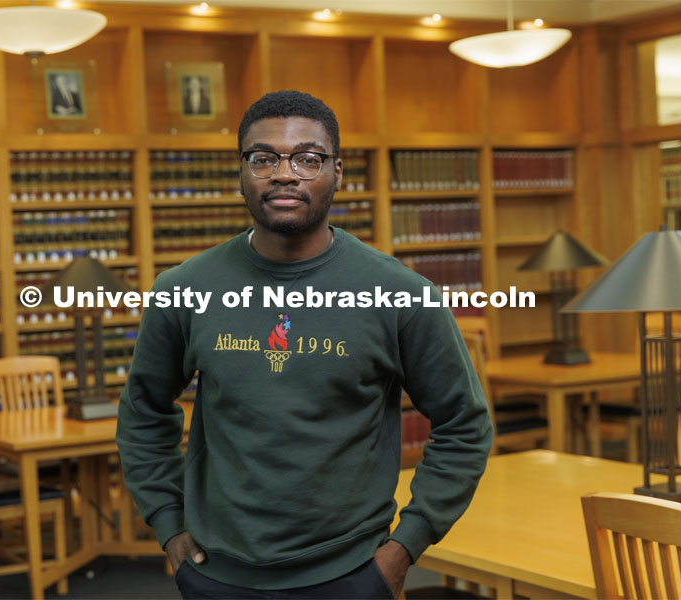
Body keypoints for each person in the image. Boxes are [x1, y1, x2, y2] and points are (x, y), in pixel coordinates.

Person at [116, 90, 492, 599]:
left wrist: (405, 547)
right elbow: (143, 410)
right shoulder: (184, 287)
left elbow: (463, 424)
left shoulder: (400, 292)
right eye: (263, 158)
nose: (284, 173)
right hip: (215, 573)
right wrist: (168, 525)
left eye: (307, 158)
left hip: (353, 575)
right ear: (241, 172)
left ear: (338, 172)